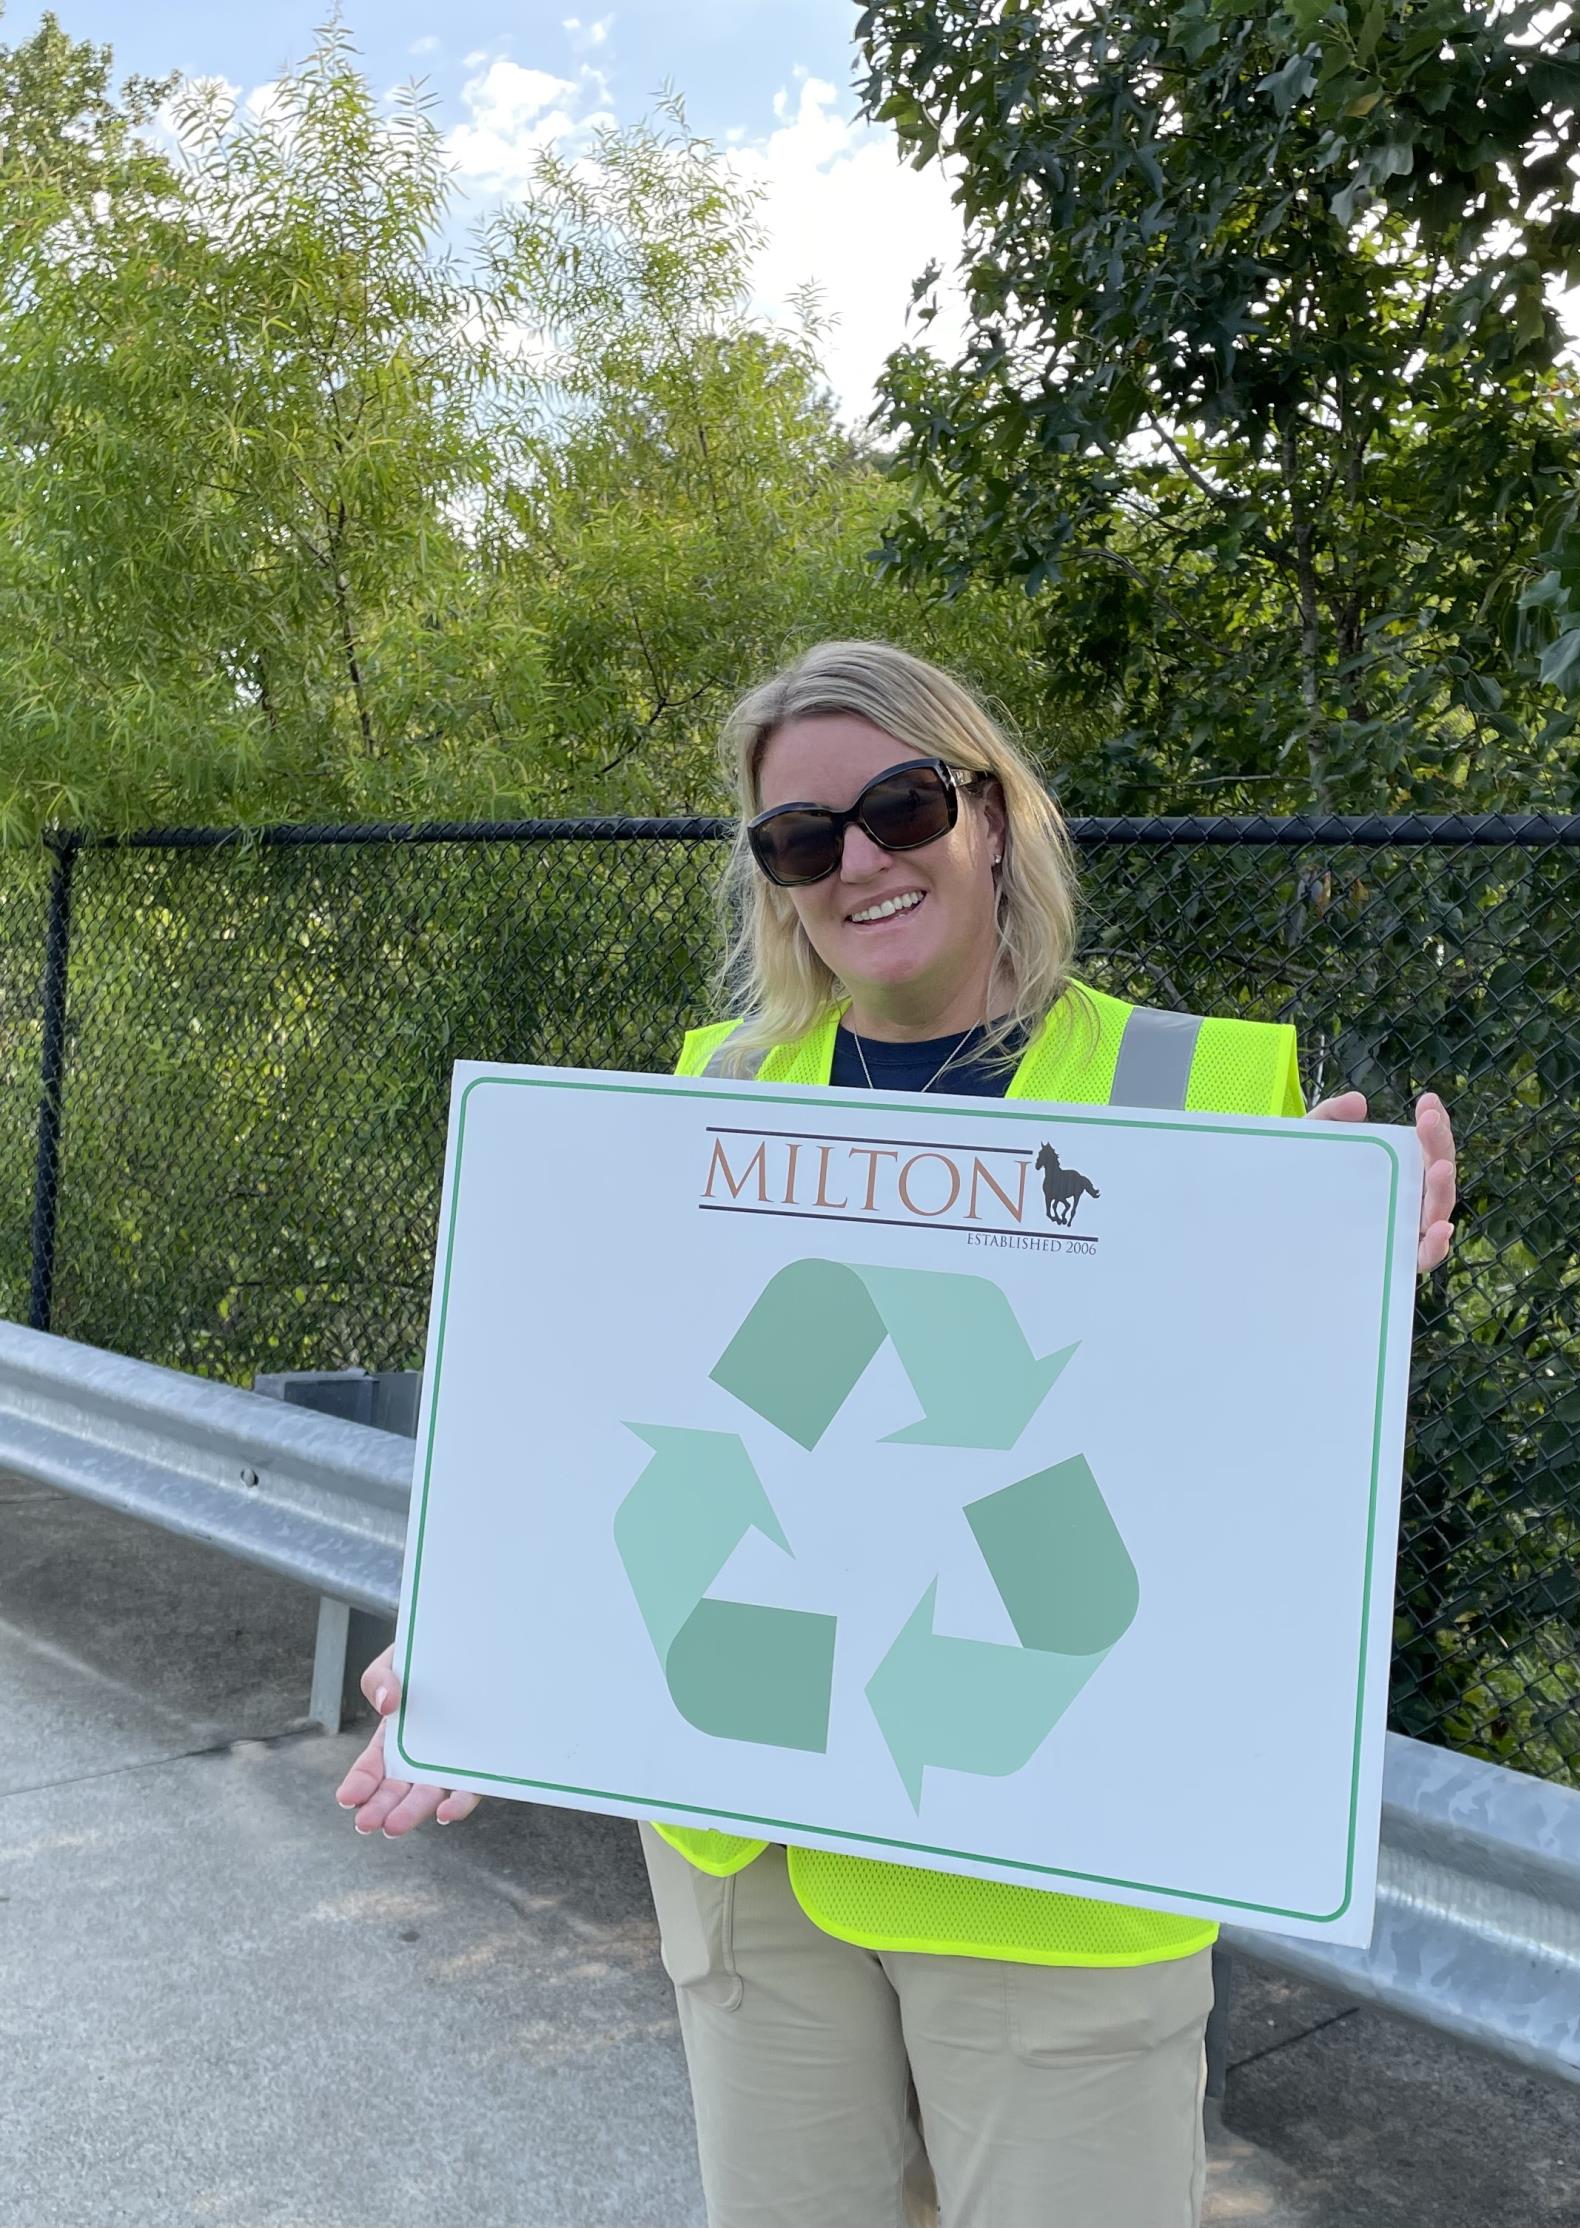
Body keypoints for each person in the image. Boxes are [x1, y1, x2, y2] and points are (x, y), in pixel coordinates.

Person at [338, 641, 1458, 2228]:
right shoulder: (706, 1096)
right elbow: (602, 1431)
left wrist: (1363, 1281)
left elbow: (1245, 1480)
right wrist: (480, 1668)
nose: (858, 859)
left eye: (900, 804)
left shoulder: (1201, 1095)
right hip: (753, 1861)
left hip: (1062, 1875)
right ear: (775, 883)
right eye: (801, 840)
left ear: (991, 816)